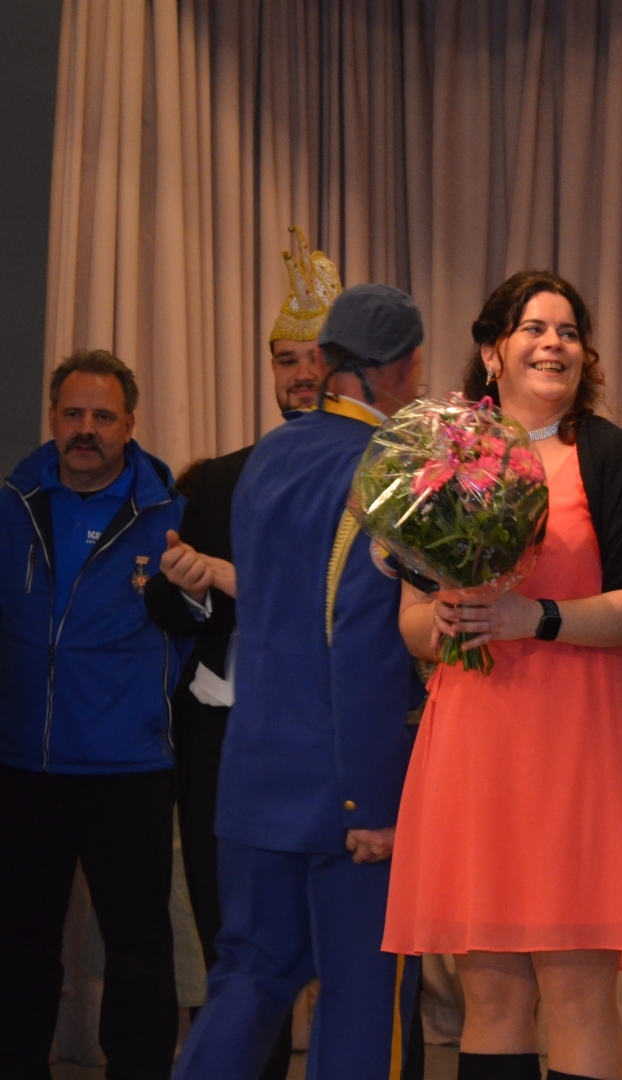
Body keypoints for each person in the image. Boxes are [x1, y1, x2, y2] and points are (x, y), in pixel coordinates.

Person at [385, 270, 622, 1080]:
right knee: (490, 998)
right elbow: (410, 622)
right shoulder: (441, 462)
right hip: (475, 743)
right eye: (535, 329)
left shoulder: (615, 457)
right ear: (491, 352)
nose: (555, 344)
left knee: (578, 994)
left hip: (579, 744)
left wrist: (536, 617)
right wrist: (445, 621)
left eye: (569, 332)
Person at [172, 284, 427, 1080]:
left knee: (248, 982)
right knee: (361, 1007)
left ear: (328, 360)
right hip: (345, 792)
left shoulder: (269, 456)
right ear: (403, 366)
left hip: (254, 779)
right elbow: (362, 646)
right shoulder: (387, 468)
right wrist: (375, 801)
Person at [144, 225, 341, 1080]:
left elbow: (360, 609)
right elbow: (167, 607)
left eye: (315, 359)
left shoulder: (381, 476)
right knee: (240, 948)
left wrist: (232, 576)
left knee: (352, 954)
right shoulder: (219, 478)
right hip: (223, 743)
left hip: (334, 738)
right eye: (284, 360)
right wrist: (190, 585)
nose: (299, 375)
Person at [0, 350, 186, 1080]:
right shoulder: (13, 504)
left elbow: (198, 631)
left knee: (138, 946)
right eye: (73, 413)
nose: (86, 429)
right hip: (24, 763)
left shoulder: (172, 515)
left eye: (103, 417)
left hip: (129, 766)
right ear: (52, 417)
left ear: (130, 424)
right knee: (19, 943)